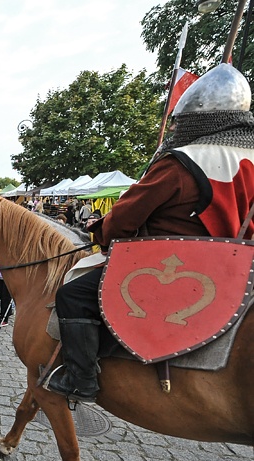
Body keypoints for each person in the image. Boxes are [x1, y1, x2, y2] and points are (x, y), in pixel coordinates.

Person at [45, 63, 254, 405]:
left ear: (198, 119)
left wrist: (101, 231)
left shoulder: (182, 161)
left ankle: (81, 378)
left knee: (73, 295)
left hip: (175, 264)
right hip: (241, 270)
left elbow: (125, 219)